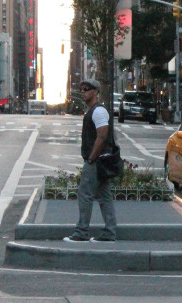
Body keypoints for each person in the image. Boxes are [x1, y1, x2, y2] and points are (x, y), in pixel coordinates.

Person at [64, 79, 117, 243]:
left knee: (85, 194)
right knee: (104, 196)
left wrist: (91, 158)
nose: (83, 91)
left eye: (86, 89)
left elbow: (102, 136)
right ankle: (109, 232)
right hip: (101, 161)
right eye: (81, 89)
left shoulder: (98, 111)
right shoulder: (93, 111)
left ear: (95, 91)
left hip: (97, 161)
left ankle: (82, 232)